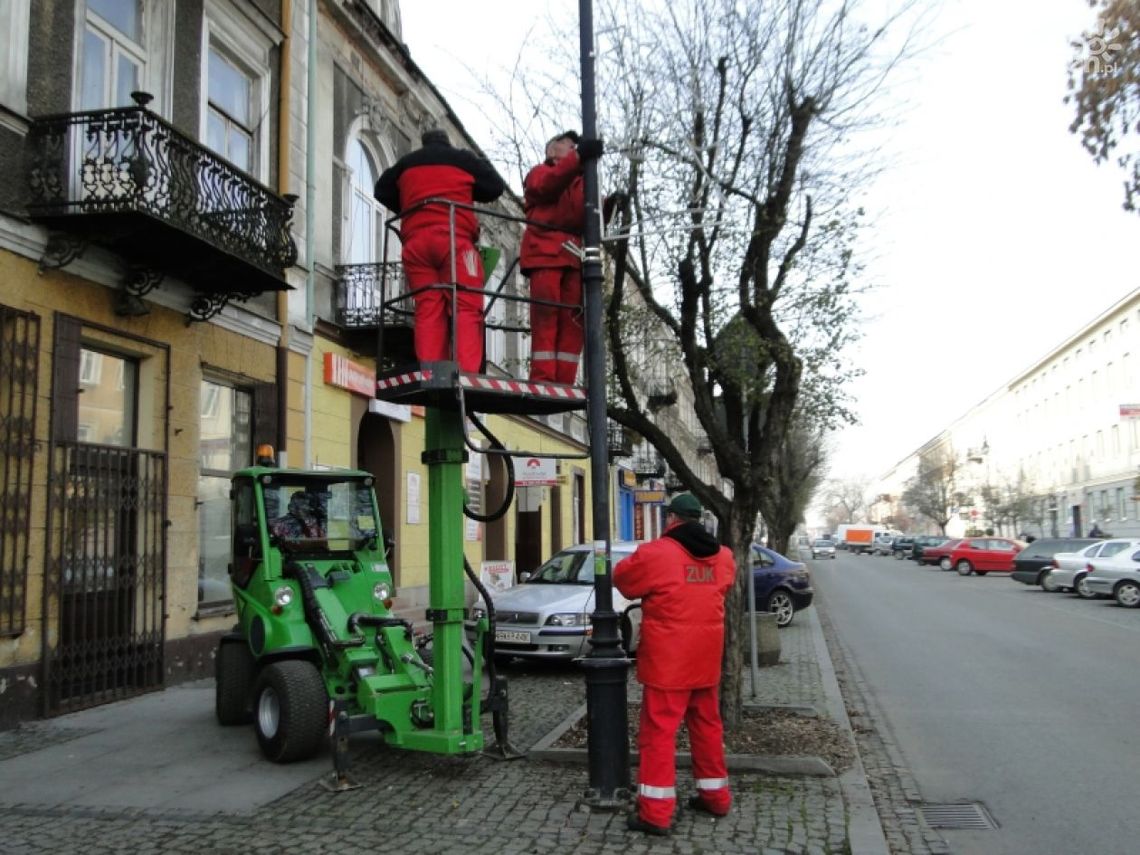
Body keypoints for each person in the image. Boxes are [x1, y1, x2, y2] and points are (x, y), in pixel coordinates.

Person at [613, 492, 735, 836]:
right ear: (699, 519)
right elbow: (721, 587)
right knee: (707, 726)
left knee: (659, 735)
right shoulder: (724, 557)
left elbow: (623, 580)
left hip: (669, 662)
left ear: (671, 519)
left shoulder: (657, 553)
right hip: (706, 658)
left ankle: (655, 813)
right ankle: (716, 797)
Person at [375, 129, 505, 373]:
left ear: (424, 143)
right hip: (454, 242)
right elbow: (494, 187)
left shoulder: (406, 164)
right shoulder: (462, 160)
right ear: (448, 142)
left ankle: (431, 371)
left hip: (415, 247)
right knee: (466, 306)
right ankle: (466, 373)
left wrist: (408, 206)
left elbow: (380, 190)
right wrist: (478, 162)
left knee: (428, 307)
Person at [520, 131, 604, 384]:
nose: (574, 148)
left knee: (572, 323)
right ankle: (543, 377)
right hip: (546, 254)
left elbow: (589, 216)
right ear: (552, 150)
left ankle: (564, 380)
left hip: (572, 256)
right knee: (546, 315)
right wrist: (579, 158)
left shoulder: (579, 181)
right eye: (569, 145)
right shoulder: (540, 173)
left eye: (576, 147)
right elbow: (547, 186)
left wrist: (609, 205)